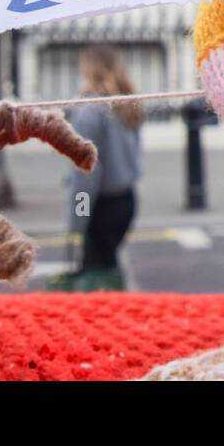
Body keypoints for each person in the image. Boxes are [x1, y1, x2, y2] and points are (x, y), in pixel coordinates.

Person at [49, 45, 143, 292]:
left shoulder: (90, 111)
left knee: (96, 282)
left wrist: (77, 220)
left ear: (89, 71)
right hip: (126, 200)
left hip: (100, 207)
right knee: (109, 269)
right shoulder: (127, 104)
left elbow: (85, 173)